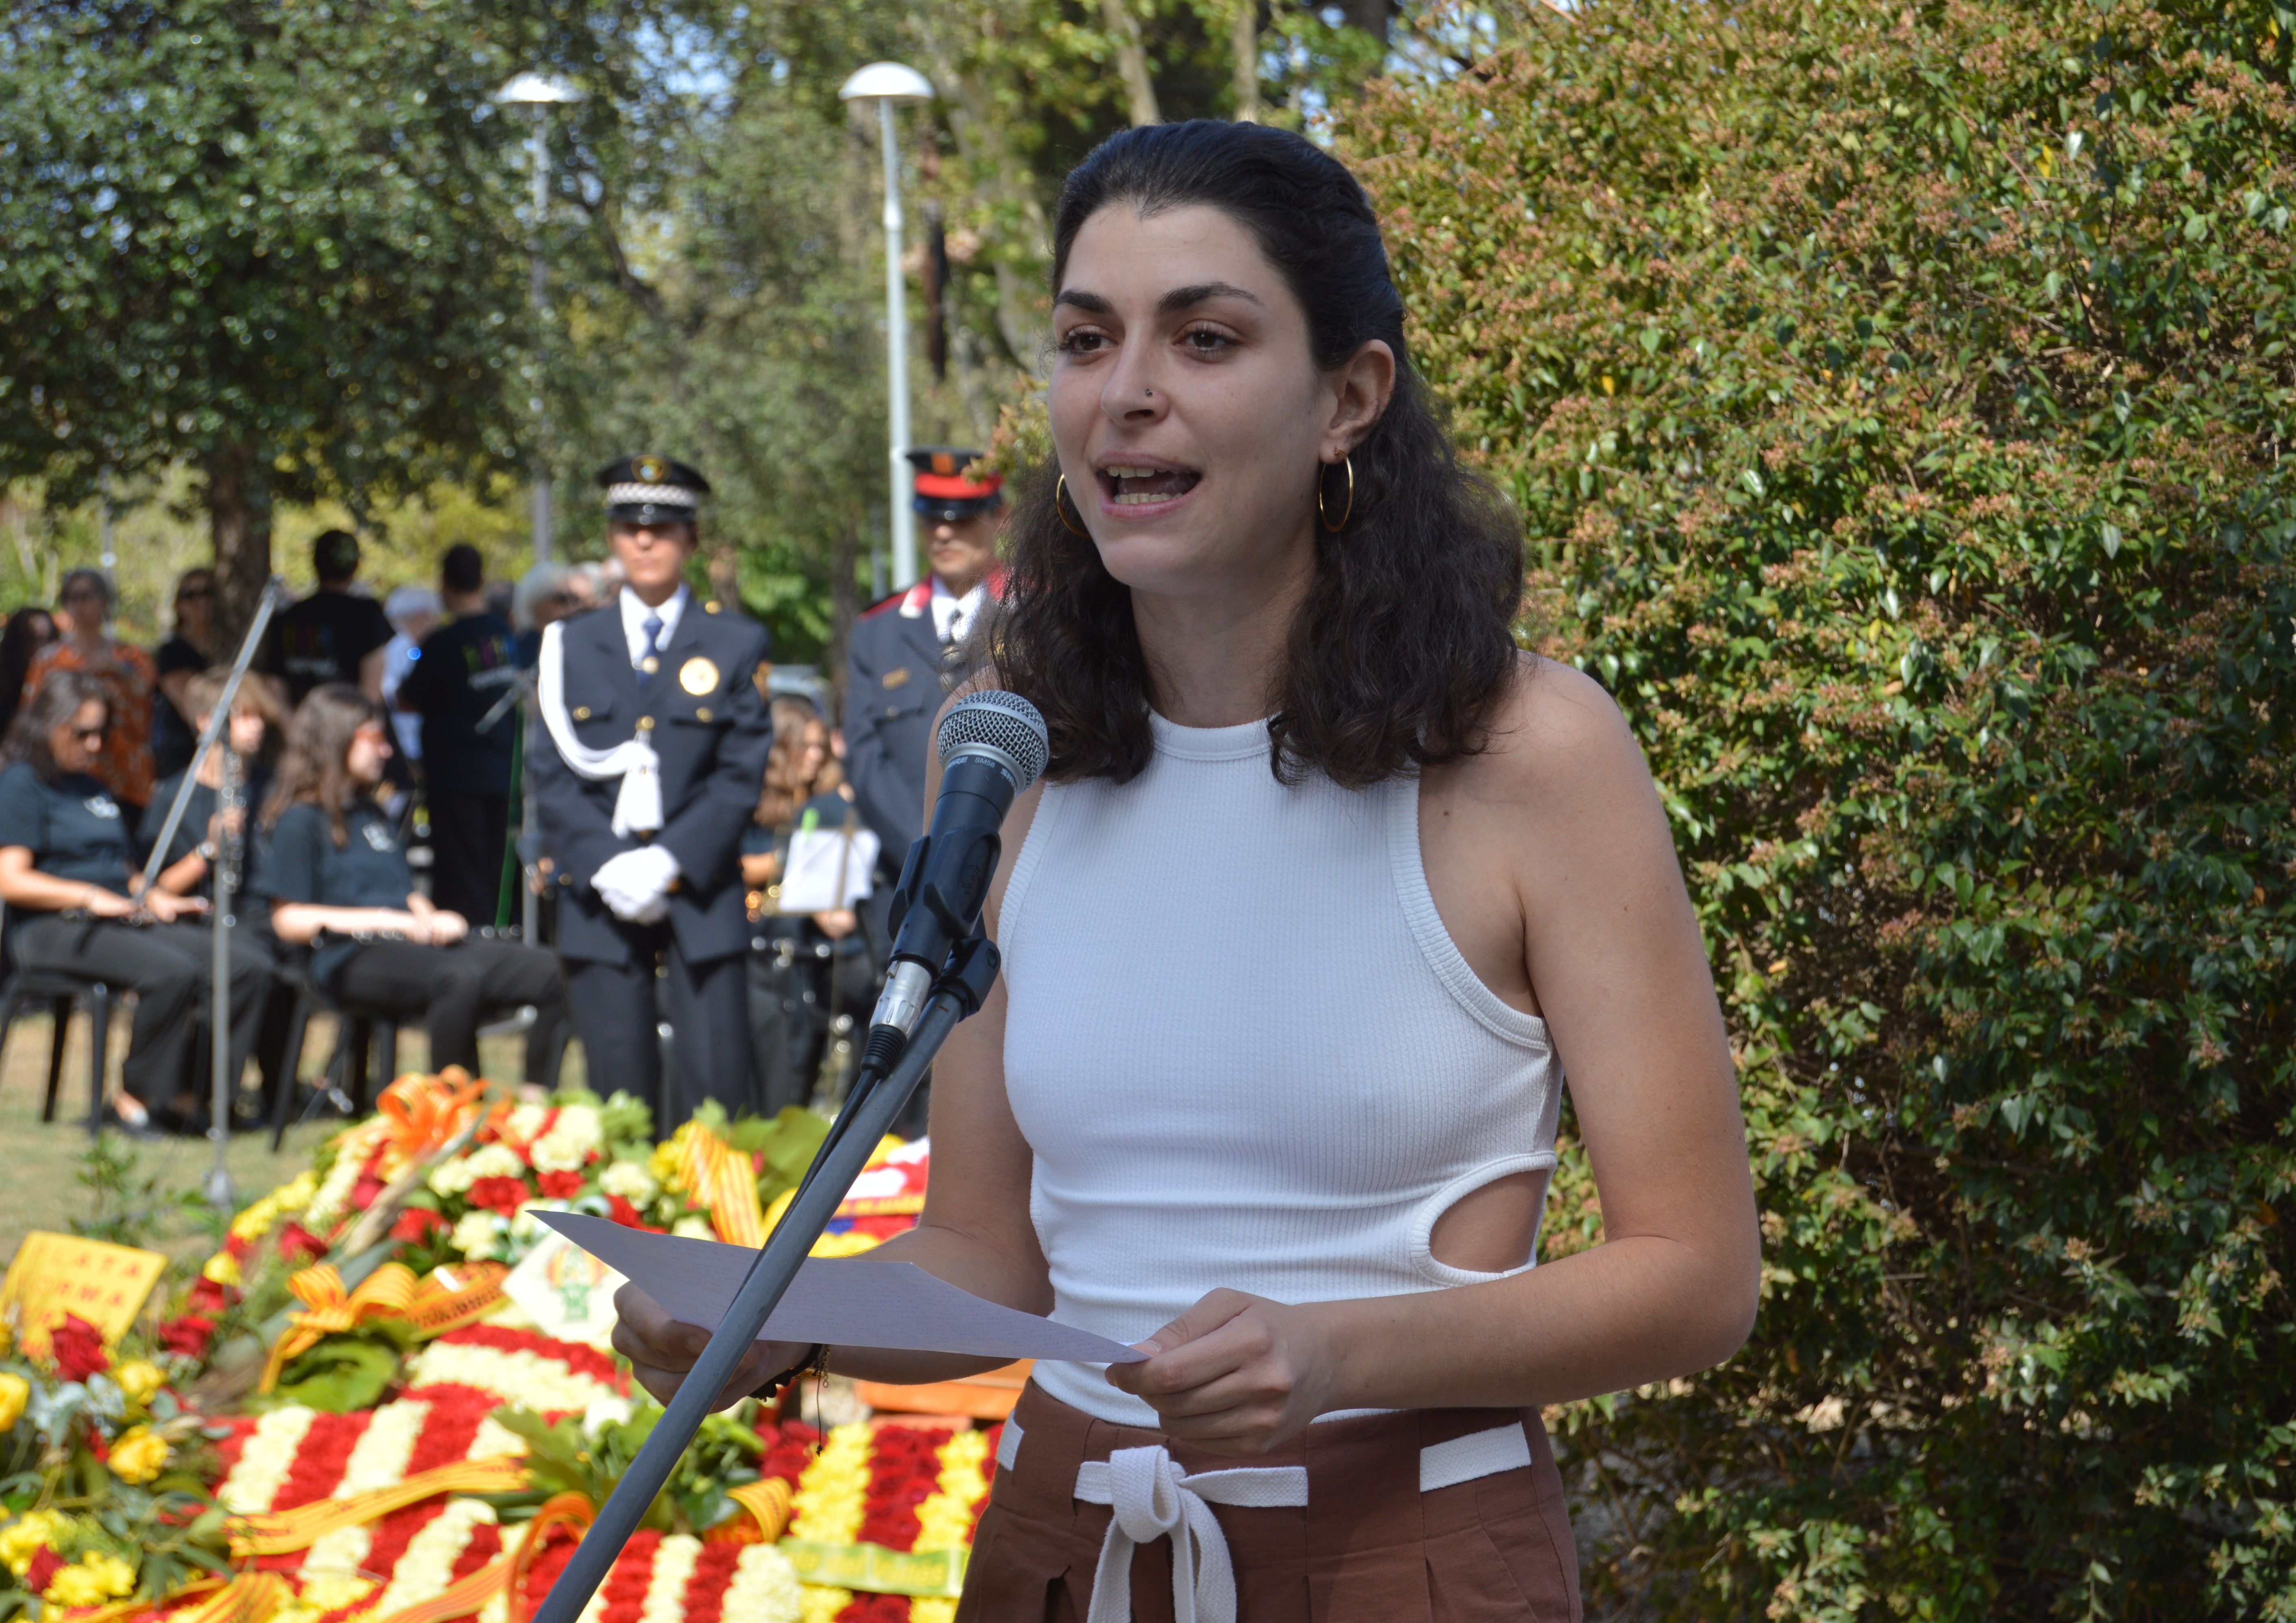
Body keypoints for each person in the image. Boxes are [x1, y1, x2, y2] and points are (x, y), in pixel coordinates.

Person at [612, 121, 1760, 1623]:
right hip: (1055, 1552)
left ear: (1347, 397)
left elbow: (1694, 1272)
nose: (1126, 392)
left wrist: (1339, 1349)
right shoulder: (1019, 765)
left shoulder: (1524, 752)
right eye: (1085, 340)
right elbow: (991, 1255)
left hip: (1399, 1564)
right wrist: (776, 1319)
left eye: (1202, 336)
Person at [530, 455, 769, 1132]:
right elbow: (548, 771)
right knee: (618, 1108)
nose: (645, 541)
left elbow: (740, 771)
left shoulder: (735, 641)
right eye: (629, 527)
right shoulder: (567, 645)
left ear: (690, 540)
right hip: (600, 895)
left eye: (664, 528)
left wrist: (667, 861)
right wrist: (608, 862)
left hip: (697, 890)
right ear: (611, 538)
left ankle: (718, 1238)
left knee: (717, 1108)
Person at [0, 670, 274, 1135]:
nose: (95, 744)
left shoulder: (92, 787)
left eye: (101, 733)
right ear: (48, 724)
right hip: (52, 926)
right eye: (83, 733)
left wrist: (155, 896)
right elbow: (11, 879)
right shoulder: (21, 784)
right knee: (171, 972)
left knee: (244, 965)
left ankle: (198, 1093)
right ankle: (137, 1096)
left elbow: (120, 867)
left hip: (117, 914)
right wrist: (92, 898)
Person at [264, 685, 567, 1085]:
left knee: (553, 971)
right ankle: (453, 1108)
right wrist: (388, 920)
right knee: (456, 977)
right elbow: (288, 919)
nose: (386, 751)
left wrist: (432, 917)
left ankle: (535, 1099)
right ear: (335, 740)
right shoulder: (300, 820)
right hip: (345, 955)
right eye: (374, 739)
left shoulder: (371, 813)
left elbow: (402, 889)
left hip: (410, 944)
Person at [844, 446, 1006, 880]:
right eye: (932, 518)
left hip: (1010, 871)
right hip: (909, 877)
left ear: (999, 517)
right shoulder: (877, 631)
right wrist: (928, 854)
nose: (943, 534)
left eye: (961, 518)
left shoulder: (1037, 616)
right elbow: (865, 763)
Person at [139, 666, 293, 1117]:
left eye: (259, 716)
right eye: (244, 716)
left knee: (287, 958)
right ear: (206, 721)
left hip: (264, 911)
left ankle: (278, 1094)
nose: (256, 726)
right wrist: (208, 848)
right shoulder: (175, 793)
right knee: (253, 964)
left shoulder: (271, 786)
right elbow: (157, 885)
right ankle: (205, 1097)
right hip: (206, 915)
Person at [740, 695, 873, 1114]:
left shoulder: (824, 800)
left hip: (816, 941)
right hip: (766, 938)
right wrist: (798, 861)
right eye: (806, 746)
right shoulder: (753, 798)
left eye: (822, 746)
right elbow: (741, 865)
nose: (816, 756)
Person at [395, 546, 519, 927]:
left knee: (461, 869)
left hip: (458, 774)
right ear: (481, 580)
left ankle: (473, 936)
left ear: (444, 584)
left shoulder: (442, 642)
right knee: (498, 863)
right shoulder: (504, 633)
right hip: (501, 768)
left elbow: (406, 700)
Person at [24, 569, 157, 822]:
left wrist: (117, 671)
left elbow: (147, 703)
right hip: (67, 780)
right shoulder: (50, 660)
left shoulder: (132, 658)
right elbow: (33, 717)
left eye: (85, 596)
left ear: (104, 602)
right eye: (70, 598)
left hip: (127, 780)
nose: (78, 605)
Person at [264, 529, 392, 709]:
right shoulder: (367, 614)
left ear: (315, 564)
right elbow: (372, 686)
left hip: (302, 724)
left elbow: (275, 685)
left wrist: (291, 727)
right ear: (356, 566)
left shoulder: (289, 617)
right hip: (349, 724)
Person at [0, 606, 57, 778]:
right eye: (34, 640)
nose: (42, 649)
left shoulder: (63, 687)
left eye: (49, 640)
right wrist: (13, 774)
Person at [151, 568, 216, 781]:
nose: (200, 601)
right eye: (190, 595)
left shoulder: (231, 646)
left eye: (208, 592)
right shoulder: (172, 652)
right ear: (180, 605)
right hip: (183, 759)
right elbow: (191, 705)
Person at [379, 584, 442, 765]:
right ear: (422, 617)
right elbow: (392, 692)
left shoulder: (399, 644)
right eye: (434, 617)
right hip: (407, 744)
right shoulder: (401, 646)